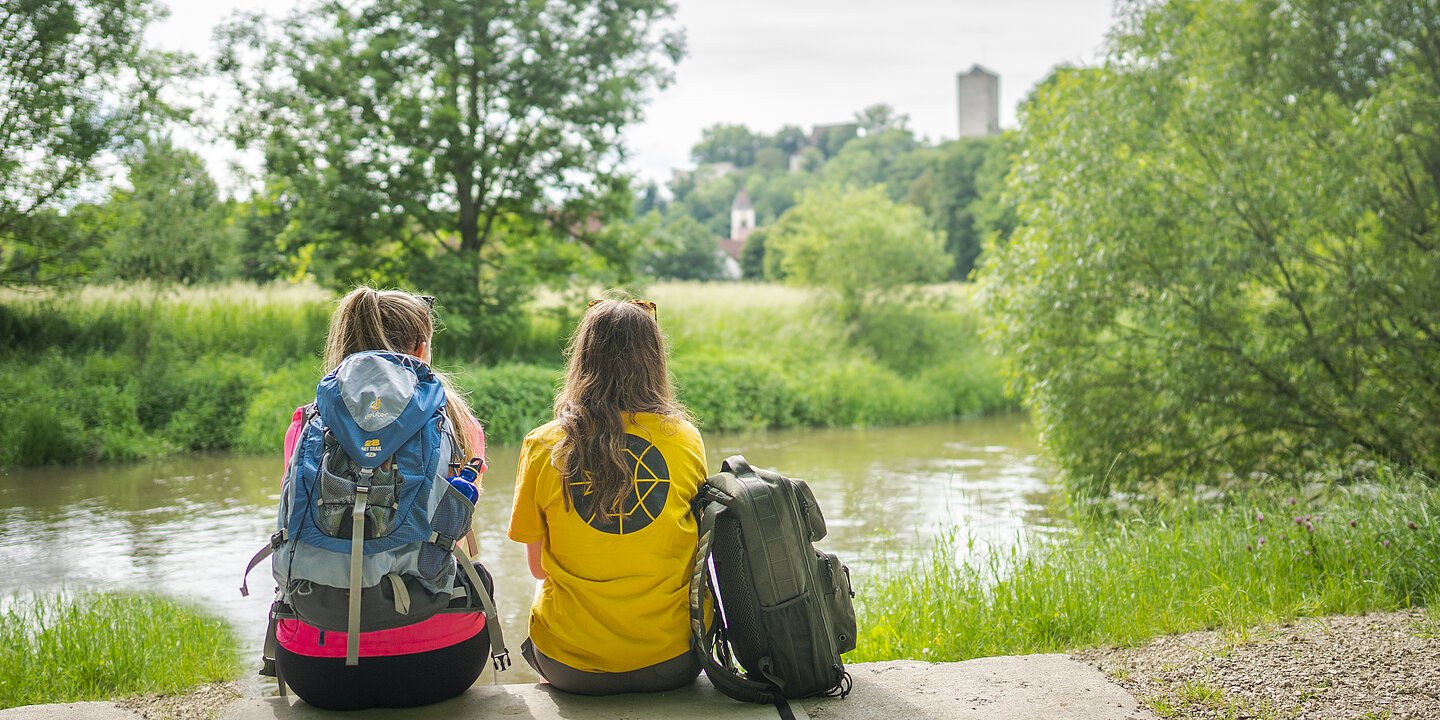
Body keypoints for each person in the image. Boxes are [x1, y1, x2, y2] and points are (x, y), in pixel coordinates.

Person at [273, 286, 495, 710]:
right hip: (442, 662)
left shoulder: (308, 423)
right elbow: (458, 537)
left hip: (316, 670)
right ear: (421, 348)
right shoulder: (456, 421)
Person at [507, 298, 707, 694]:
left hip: (572, 668)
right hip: (674, 661)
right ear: (653, 360)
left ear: (583, 358)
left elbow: (538, 568)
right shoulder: (683, 439)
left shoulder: (545, 445)